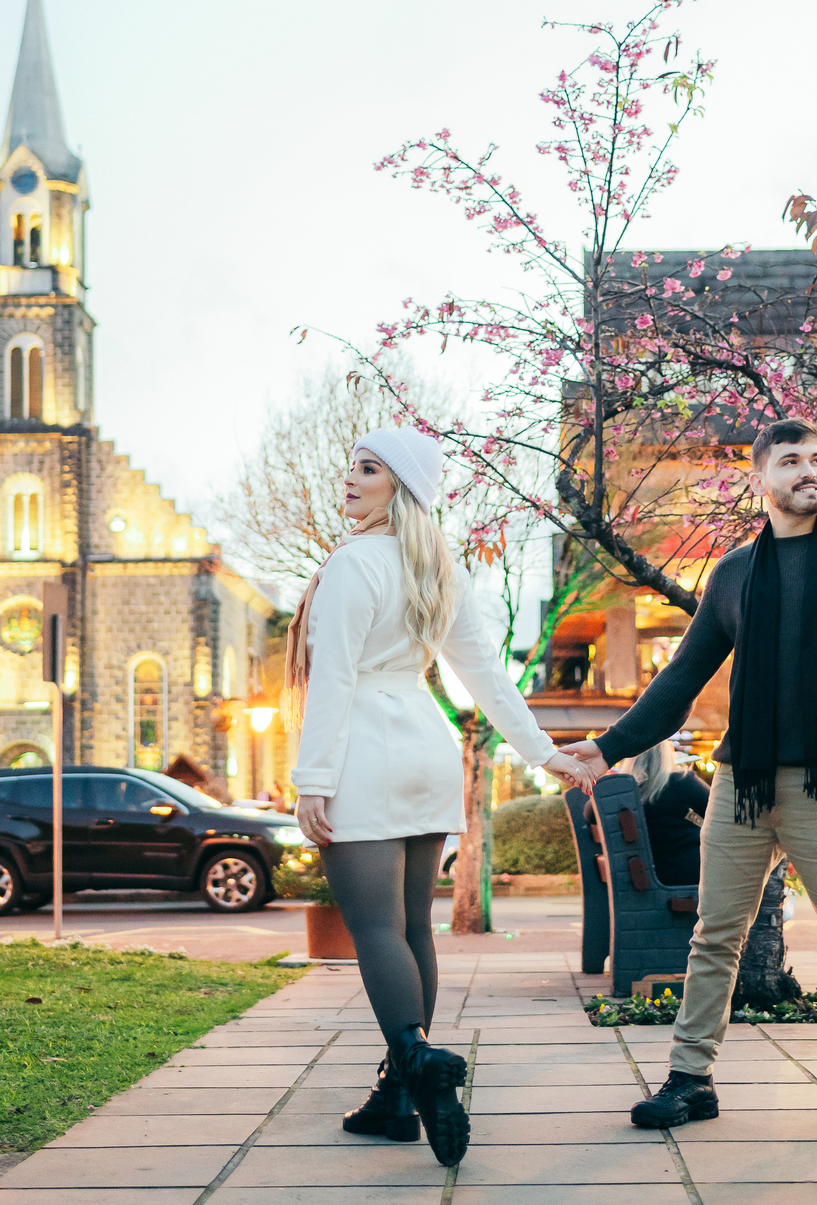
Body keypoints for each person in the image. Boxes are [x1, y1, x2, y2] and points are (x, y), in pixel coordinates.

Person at [571, 418, 817, 1140]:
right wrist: (607, 748)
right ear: (760, 478)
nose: (810, 471)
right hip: (743, 784)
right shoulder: (734, 573)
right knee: (714, 936)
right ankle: (690, 1077)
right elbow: (680, 680)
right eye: (792, 461)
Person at [289, 426, 591, 1167]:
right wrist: (543, 752)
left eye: (367, 469)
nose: (350, 480)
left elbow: (331, 681)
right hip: (425, 748)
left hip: (362, 750)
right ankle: (397, 1097)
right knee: (415, 928)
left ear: (400, 485)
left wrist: (312, 781)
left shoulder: (354, 564)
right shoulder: (435, 568)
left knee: (374, 930)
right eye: (351, 466)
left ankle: (419, 1062)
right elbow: (487, 676)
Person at [630, 741, 710, 886]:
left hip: (649, 873)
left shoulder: (627, 792)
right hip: (690, 873)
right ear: (666, 755)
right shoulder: (682, 782)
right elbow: (719, 810)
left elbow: (589, 813)